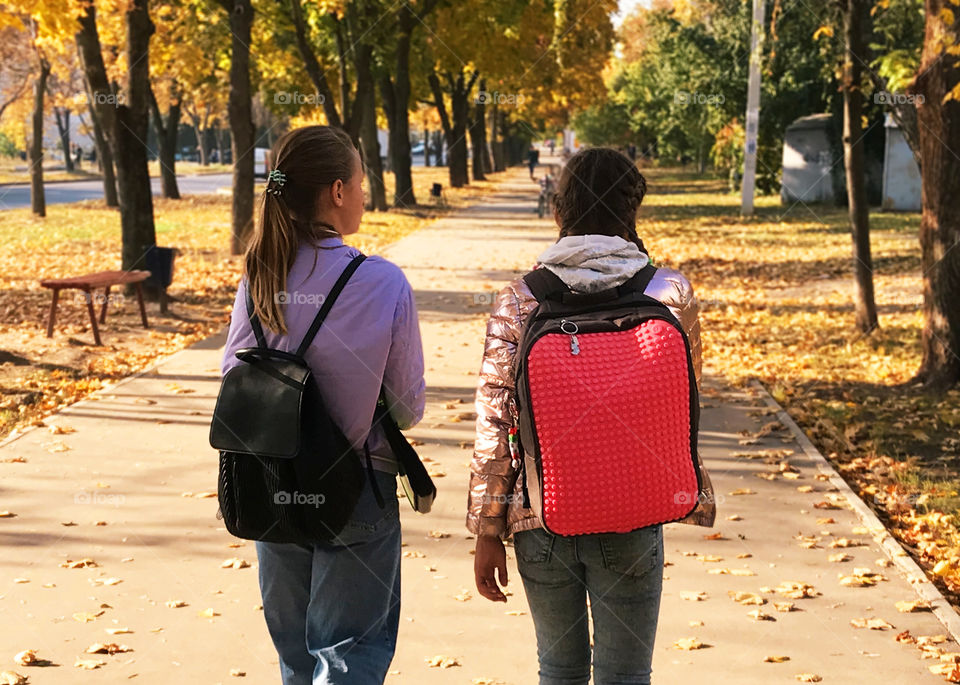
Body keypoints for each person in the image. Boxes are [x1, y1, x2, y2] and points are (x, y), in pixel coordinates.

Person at [467, 146, 716, 685]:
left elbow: (493, 421)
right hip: (634, 514)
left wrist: (488, 529)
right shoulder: (668, 291)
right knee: (627, 676)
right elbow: (684, 395)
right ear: (633, 210)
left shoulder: (520, 300)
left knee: (558, 672)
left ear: (560, 211)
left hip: (540, 516)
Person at [220, 125, 426, 685]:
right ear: (337, 191)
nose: (365, 193)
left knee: (296, 658)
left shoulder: (259, 275)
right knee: (348, 658)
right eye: (360, 182)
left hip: (271, 485)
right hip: (356, 488)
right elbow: (407, 407)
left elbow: (232, 377)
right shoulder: (381, 281)